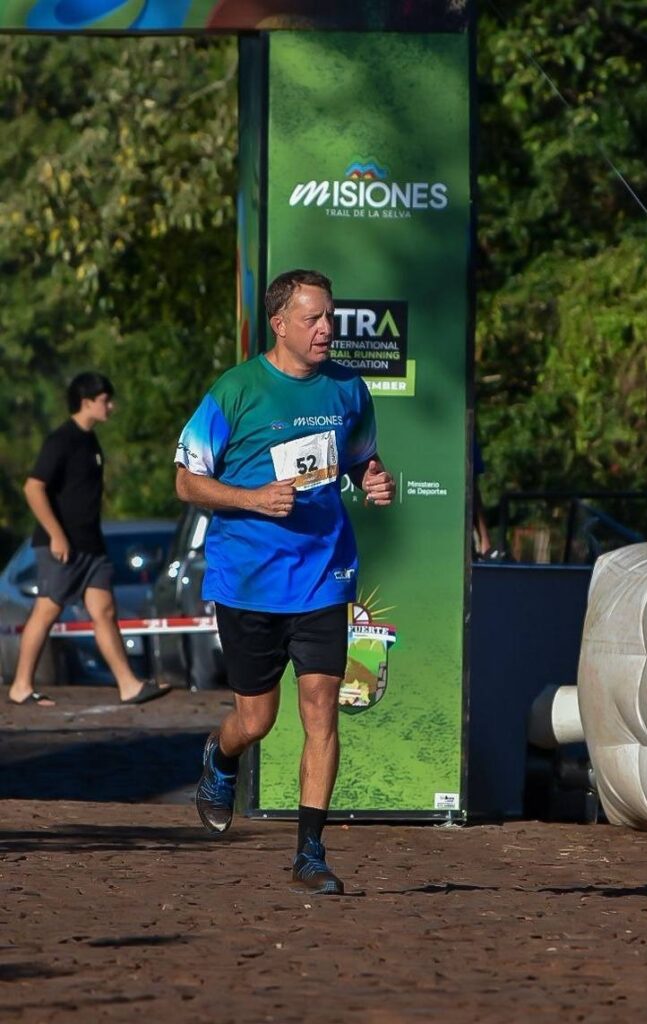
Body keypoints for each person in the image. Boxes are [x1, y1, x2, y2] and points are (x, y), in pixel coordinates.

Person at [174, 269, 396, 895]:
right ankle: (220, 756)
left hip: (325, 574)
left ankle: (311, 854)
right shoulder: (236, 391)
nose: (327, 328)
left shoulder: (349, 389)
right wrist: (249, 498)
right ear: (279, 324)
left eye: (330, 316)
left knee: (323, 708)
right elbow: (186, 482)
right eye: (312, 318)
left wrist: (376, 481)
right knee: (257, 720)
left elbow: (361, 461)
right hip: (249, 579)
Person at [8, 372, 172, 708]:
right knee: (47, 610)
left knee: (105, 611)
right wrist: (56, 535)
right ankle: (21, 686)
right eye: (105, 400)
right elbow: (33, 487)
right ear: (86, 402)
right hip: (62, 546)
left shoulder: (90, 441)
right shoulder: (62, 440)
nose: (110, 406)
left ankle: (128, 685)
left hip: (91, 545)